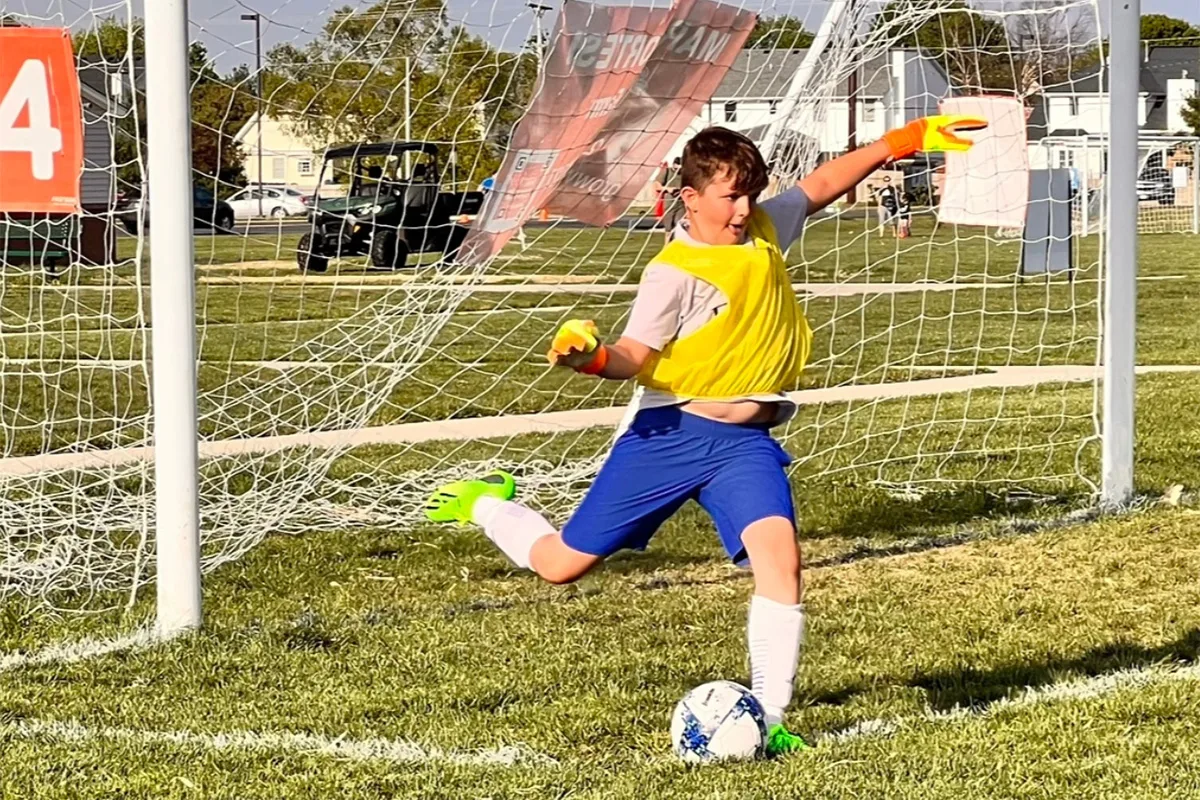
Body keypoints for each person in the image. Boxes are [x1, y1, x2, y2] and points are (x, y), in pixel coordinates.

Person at [424, 117, 983, 756]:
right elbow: (635, 354)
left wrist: (900, 142)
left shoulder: (765, 230)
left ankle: (769, 718)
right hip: (669, 436)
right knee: (561, 566)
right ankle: (487, 500)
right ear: (690, 196)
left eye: (750, 193)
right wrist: (591, 358)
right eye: (730, 196)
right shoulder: (673, 271)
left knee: (782, 561)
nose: (744, 209)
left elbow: (822, 183)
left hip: (744, 447)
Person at [653, 156, 683, 245]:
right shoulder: (666, 171)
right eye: (678, 167)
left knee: (679, 226)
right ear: (674, 165)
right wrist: (668, 189)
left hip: (681, 202)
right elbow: (657, 186)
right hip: (669, 202)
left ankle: (678, 247)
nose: (679, 170)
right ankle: (666, 247)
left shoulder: (685, 173)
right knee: (668, 228)